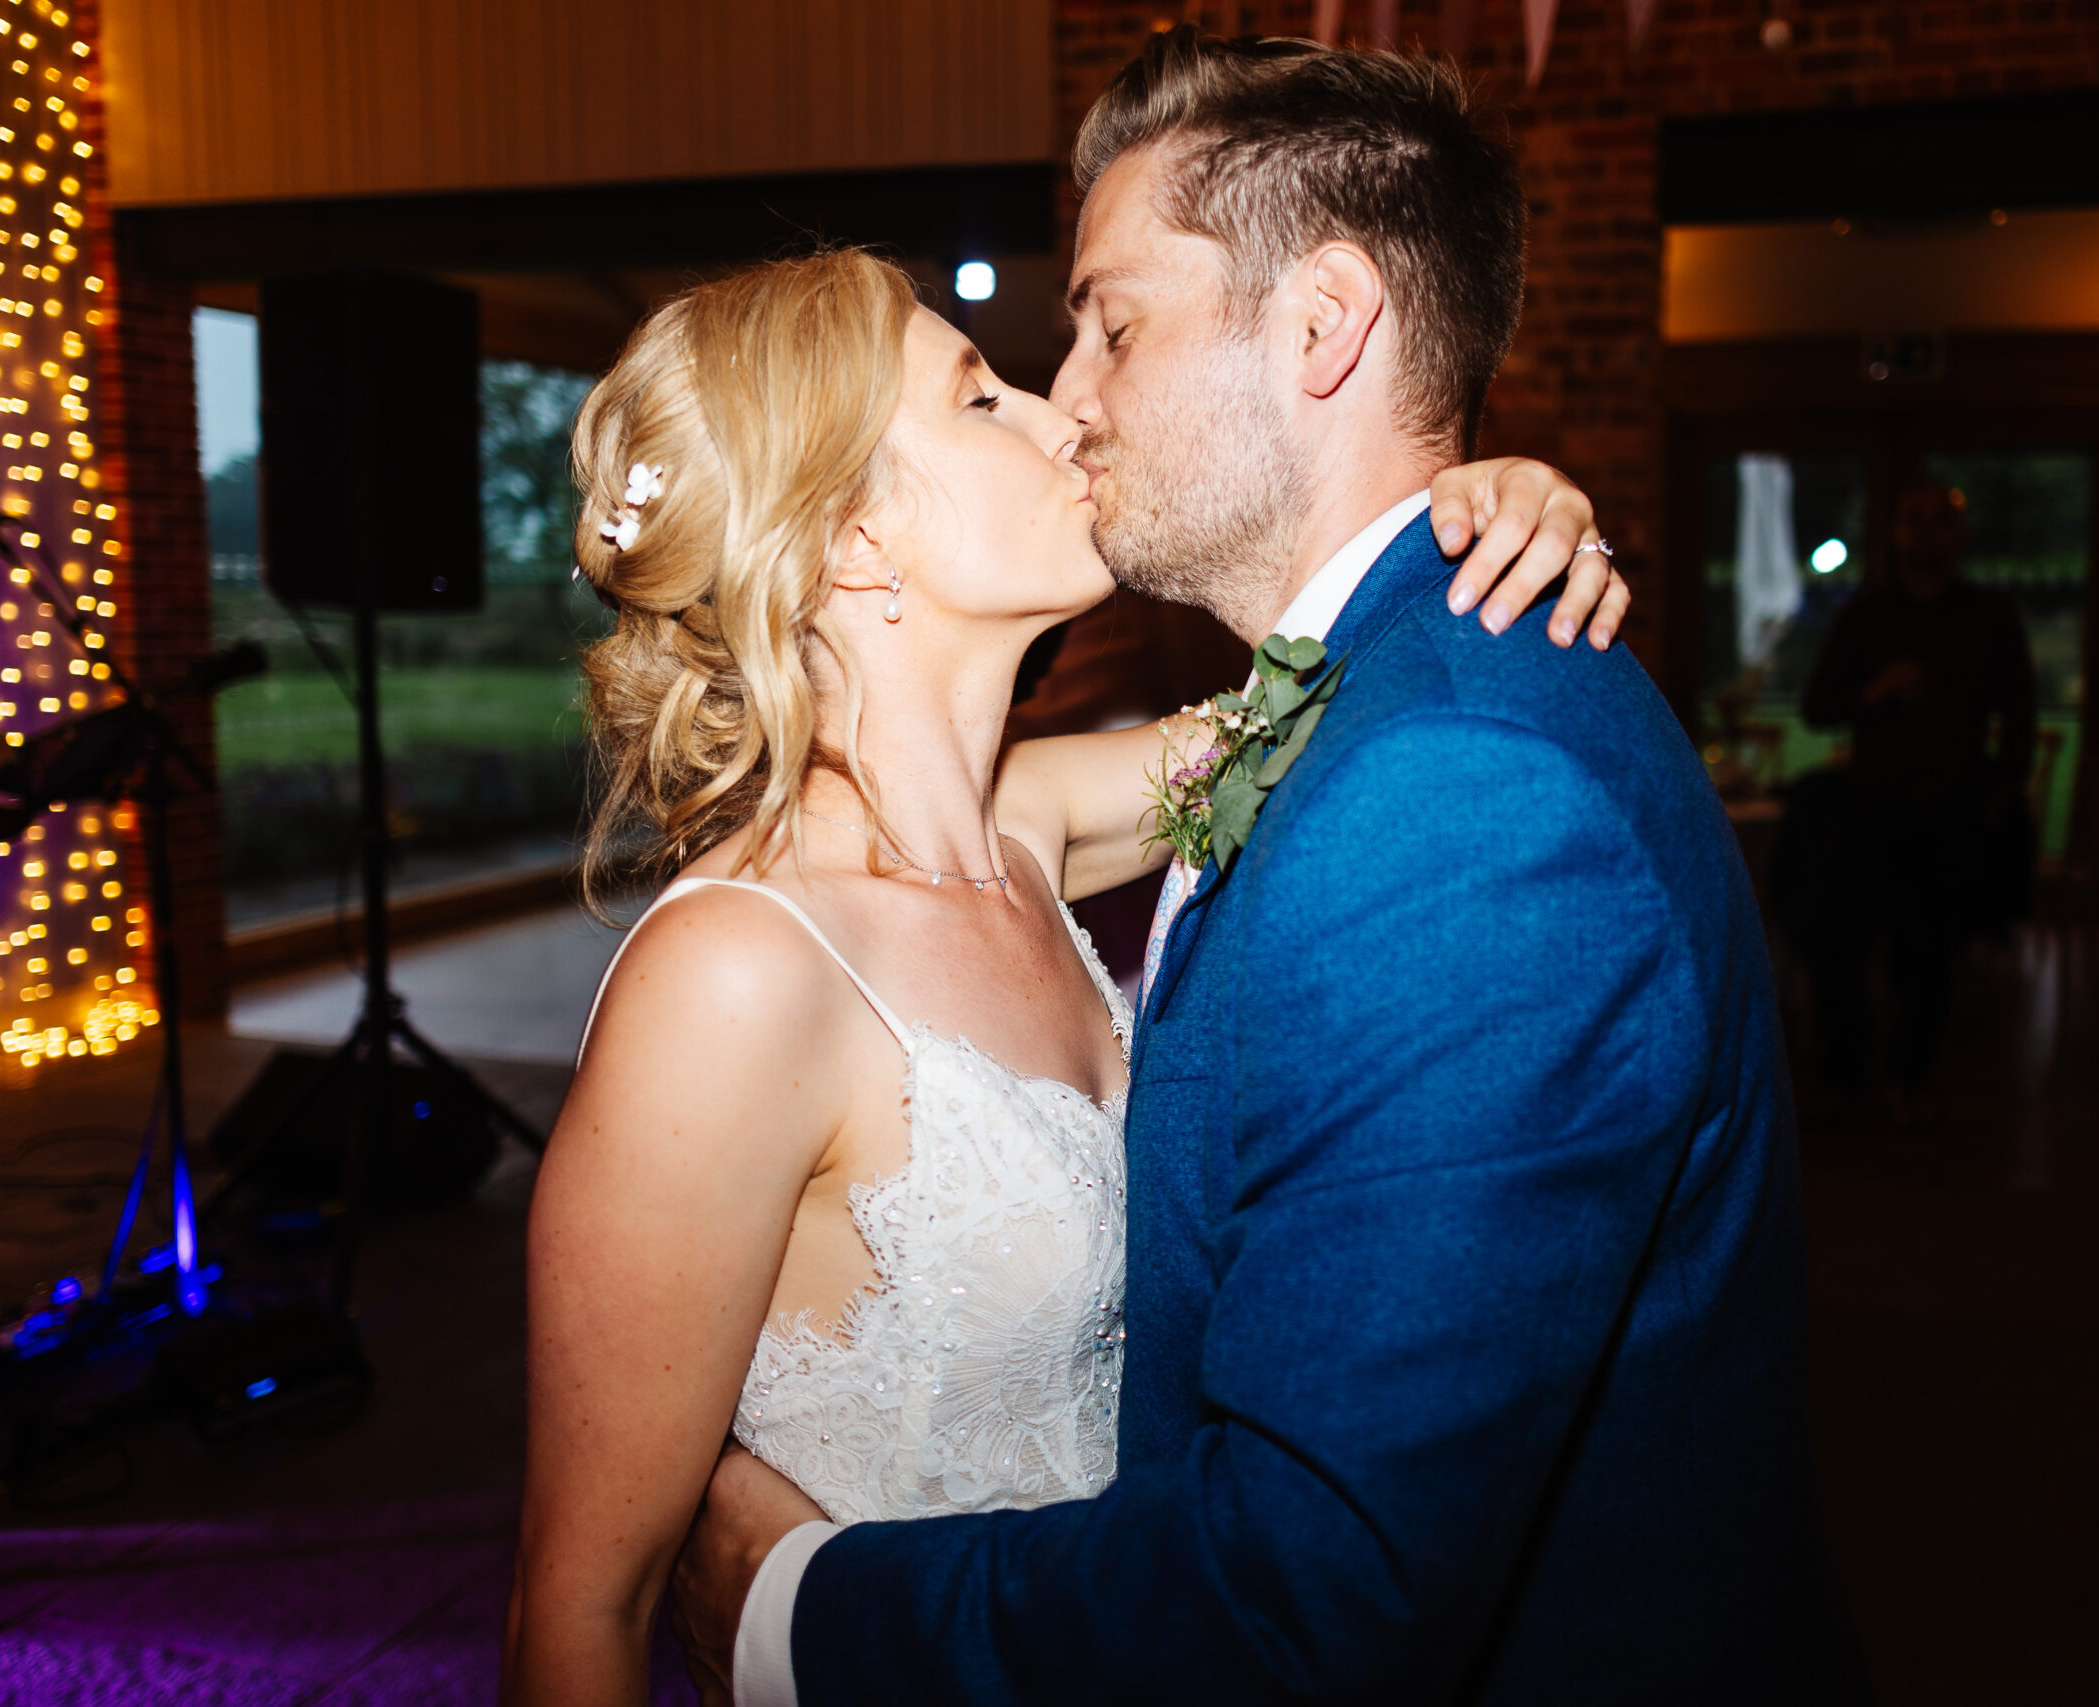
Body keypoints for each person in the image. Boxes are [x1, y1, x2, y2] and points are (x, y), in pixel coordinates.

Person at [666, 31, 1863, 1707]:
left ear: (1323, 325)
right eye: (1026, 363)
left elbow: (1309, 1598)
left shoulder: (1456, 797)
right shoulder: (1368, 717)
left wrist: (789, 1610)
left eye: (1113, 322)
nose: (1067, 395)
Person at [501, 234, 1626, 1702]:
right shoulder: (735, 975)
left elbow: (1334, 691)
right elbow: (580, 1604)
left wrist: (1477, 511)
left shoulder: (1023, 826)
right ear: (852, 538)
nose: (1064, 414)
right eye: (982, 399)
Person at [1790, 479, 2038, 1124]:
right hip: (1870, 805)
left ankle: (1909, 1079)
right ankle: (1843, 1079)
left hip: (1950, 807)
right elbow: (1816, 708)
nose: (1927, 532)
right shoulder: (1867, 616)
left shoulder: (1988, 616)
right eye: (1915, 519)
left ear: (1956, 535)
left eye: (1939, 521)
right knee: (1837, 942)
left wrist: (1998, 798)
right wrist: (1873, 692)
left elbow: (2020, 717)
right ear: (1898, 532)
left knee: (1926, 955)